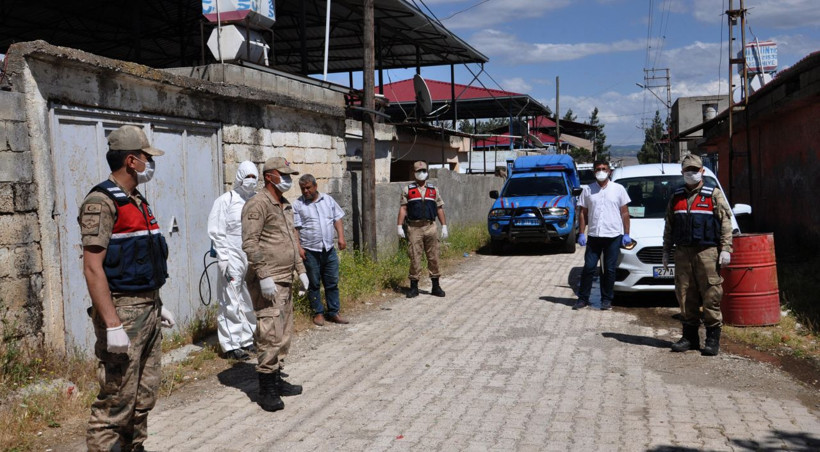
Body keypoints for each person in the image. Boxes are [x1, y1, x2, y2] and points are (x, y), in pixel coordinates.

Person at [78, 125, 175, 450]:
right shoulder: (102, 202)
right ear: (132, 160)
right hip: (122, 314)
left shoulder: (137, 201)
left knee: (143, 396)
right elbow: (92, 268)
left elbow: (143, 259)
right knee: (115, 403)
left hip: (147, 309)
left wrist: (156, 304)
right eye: (148, 157)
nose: (151, 163)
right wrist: (113, 324)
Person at [242, 156, 309, 412]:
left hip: (284, 278)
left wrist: (300, 270)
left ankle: (278, 379)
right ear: (270, 176)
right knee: (269, 334)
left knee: (284, 334)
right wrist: (263, 274)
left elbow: (292, 241)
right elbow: (250, 243)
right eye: (284, 174)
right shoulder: (257, 205)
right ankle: (266, 388)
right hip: (268, 281)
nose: (289, 179)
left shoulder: (285, 204)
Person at [663, 154, 733, 356]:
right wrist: (666, 251)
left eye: (695, 169)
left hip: (707, 252)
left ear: (702, 171)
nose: (691, 173)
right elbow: (669, 225)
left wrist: (726, 249)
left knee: (711, 294)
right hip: (683, 253)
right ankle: (690, 337)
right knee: (685, 295)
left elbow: (726, 223)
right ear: (682, 172)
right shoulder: (676, 196)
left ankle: (712, 339)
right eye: (688, 170)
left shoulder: (713, 195)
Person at [207, 161, 259, 361]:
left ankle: (246, 339)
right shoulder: (226, 200)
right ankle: (230, 344)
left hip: (250, 256)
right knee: (230, 299)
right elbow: (217, 230)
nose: (251, 181)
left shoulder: (256, 200)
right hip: (232, 255)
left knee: (247, 299)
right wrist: (223, 257)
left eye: (254, 177)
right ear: (239, 177)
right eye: (248, 177)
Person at [293, 174, 349, 326]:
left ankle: (334, 312)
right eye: (303, 188)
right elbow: (295, 229)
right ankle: (318, 313)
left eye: (308, 188)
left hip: (328, 249)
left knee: (332, 282)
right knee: (314, 283)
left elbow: (337, 219)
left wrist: (341, 238)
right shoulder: (298, 205)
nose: (305, 191)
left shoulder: (328, 200)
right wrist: (299, 248)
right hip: (310, 251)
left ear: (315, 186)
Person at [574, 160, 631, 311]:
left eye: (603, 169)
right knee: (589, 268)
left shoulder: (618, 189)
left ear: (609, 171)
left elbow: (625, 212)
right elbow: (582, 213)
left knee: (609, 269)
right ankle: (583, 299)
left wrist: (626, 234)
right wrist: (581, 233)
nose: (601, 171)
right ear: (594, 172)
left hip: (613, 236)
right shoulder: (587, 190)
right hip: (594, 236)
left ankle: (606, 299)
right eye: (598, 169)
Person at [396, 161, 448, 298]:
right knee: (414, 257)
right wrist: (399, 226)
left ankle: (436, 286)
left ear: (427, 172)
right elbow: (403, 208)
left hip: (431, 226)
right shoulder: (408, 189)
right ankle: (414, 288)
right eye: (418, 171)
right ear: (414, 173)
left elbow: (439, 208)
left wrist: (444, 226)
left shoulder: (433, 189)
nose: (421, 173)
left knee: (434, 257)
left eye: (423, 170)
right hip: (414, 228)